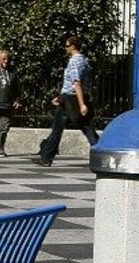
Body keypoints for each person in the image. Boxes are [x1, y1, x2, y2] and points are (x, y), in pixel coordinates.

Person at [31, 36, 99, 167]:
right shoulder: (84, 60)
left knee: (84, 127)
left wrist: (82, 104)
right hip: (68, 98)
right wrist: (60, 96)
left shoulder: (74, 61)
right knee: (61, 127)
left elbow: (76, 83)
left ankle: (101, 152)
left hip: (72, 99)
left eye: (67, 46)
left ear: (73, 46)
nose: (66, 48)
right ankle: (46, 156)